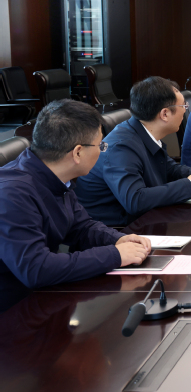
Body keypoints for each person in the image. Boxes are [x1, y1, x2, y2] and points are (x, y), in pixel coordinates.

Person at [0, 100, 152, 289]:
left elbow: (81, 226)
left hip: (46, 291)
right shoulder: (12, 194)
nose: (102, 151)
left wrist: (117, 239)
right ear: (77, 153)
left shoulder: (56, 176)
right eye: (100, 145)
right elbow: (36, 269)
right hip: (16, 300)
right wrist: (115, 255)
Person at [76, 76, 191, 227]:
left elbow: (169, 169)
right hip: (116, 231)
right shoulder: (121, 147)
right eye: (183, 106)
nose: (185, 111)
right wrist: (190, 184)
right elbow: (135, 200)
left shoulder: (143, 133)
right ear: (164, 114)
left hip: (143, 222)